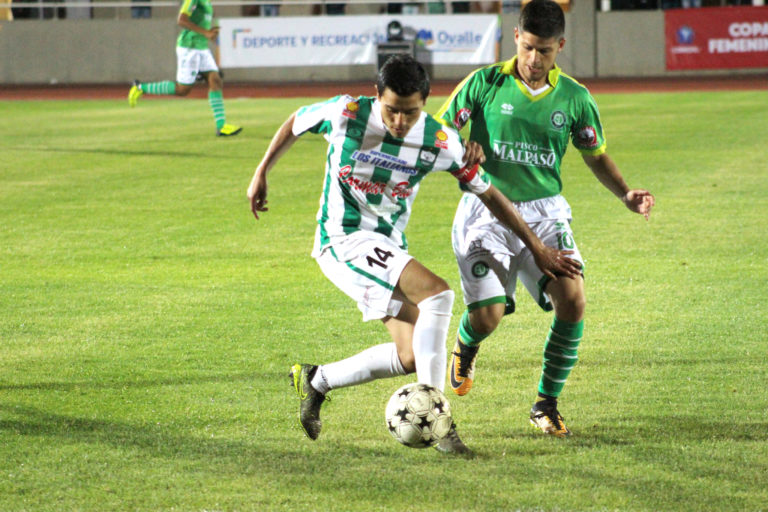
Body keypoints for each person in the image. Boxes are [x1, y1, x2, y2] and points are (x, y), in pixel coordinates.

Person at [246, 54, 580, 455]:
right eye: (391, 110)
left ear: (425, 101)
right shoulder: (346, 113)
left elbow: (490, 195)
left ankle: (317, 380)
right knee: (438, 294)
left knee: (411, 354)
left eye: (410, 112)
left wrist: (537, 248)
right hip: (342, 238)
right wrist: (261, 171)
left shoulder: (439, 141)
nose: (400, 121)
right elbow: (296, 121)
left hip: (387, 245)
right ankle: (440, 425)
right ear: (376, 96)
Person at [436, 0, 655, 438]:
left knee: (573, 300)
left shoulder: (574, 97)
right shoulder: (484, 83)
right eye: (528, 48)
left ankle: (545, 404)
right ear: (516, 37)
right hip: (486, 210)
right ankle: (466, 345)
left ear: (561, 46)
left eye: (545, 52)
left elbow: (595, 156)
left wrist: (625, 193)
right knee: (488, 317)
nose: (534, 61)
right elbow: (438, 133)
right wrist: (463, 150)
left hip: (544, 212)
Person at [128, 0, 241, 137]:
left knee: (215, 80)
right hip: (189, 47)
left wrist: (210, 31)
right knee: (182, 90)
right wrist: (206, 32)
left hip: (202, 48)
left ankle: (221, 127)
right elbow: (181, 20)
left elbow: (201, 20)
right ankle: (140, 88)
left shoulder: (207, 2)